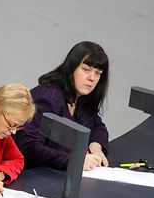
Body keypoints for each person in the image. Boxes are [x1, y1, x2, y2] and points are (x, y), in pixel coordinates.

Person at [14, 41, 110, 171]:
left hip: (54, 174)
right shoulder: (48, 98)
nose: (92, 78)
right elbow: (29, 147)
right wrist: (74, 160)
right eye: (86, 70)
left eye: (98, 73)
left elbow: (97, 125)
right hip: (30, 174)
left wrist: (96, 146)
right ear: (71, 68)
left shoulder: (82, 97)